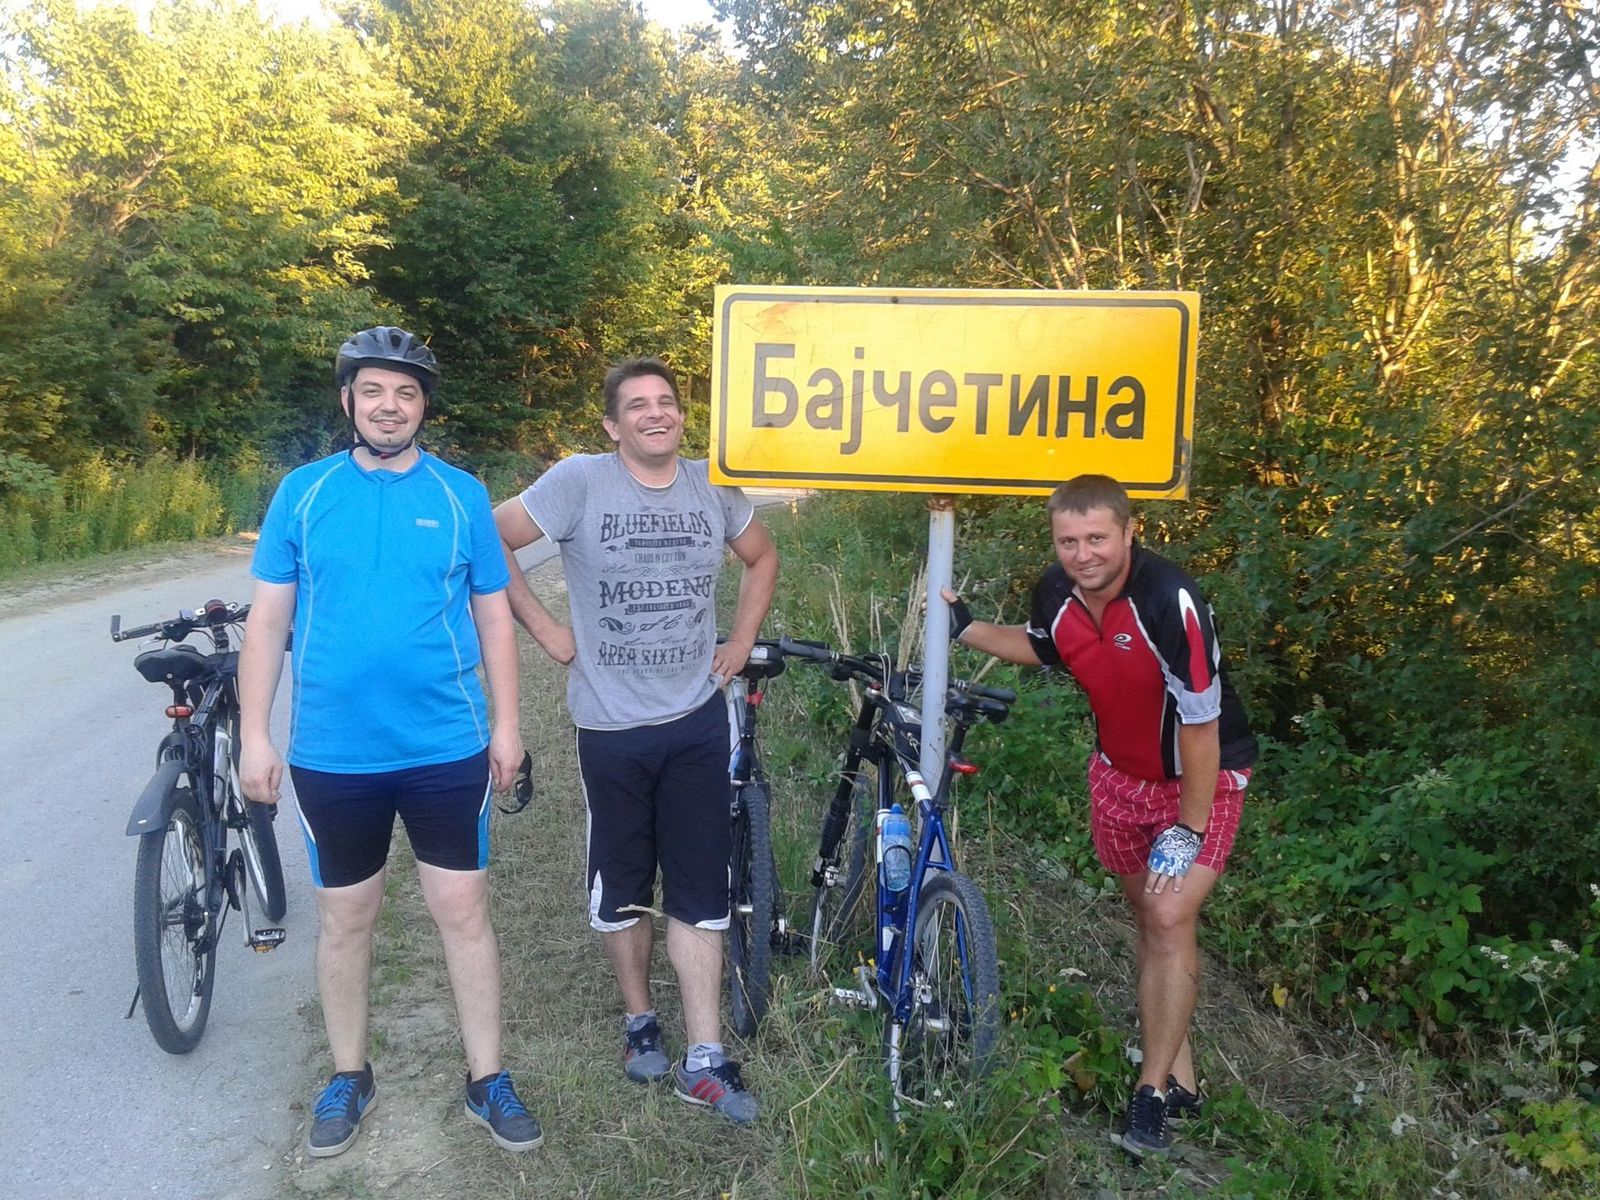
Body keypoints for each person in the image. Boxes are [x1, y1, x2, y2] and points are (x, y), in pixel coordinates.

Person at [238, 327, 543, 1158]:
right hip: (333, 752)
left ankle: (487, 1078)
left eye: (406, 393)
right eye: (373, 390)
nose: (389, 406)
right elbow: (267, 621)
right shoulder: (302, 493)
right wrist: (254, 735)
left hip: (446, 744)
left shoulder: (461, 494)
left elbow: (494, 617)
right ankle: (349, 1074)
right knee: (346, 917)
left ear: (423, 407)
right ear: (348, 400)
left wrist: (508, 726)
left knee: (463, 911)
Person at [493, 356, 778, 1126]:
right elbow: (492, 539)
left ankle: (705, 1057)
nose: (657, 413)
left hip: (696, 720)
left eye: (667, 402)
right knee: (622, 884)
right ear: (613, 425)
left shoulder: (712, 485)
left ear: (681, 414)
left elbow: (762, 557)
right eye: (638, 405)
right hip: (611, 725)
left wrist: (741, 640)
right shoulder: (579, 481)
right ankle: (639, 1021)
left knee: (699, 887)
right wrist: (545, 627)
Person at [941, 474, 1256, 1158]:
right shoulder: (1056, 592)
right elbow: (1046, 646)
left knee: (1169, 917)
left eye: (1097, 539)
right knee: (1150, 920)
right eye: (1068, 541)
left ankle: (1150, 1096)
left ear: (1129, 531)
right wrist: (967, 629)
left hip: (1200, 780)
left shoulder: (1169, 599)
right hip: (1117, 778)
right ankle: (1183, 1077)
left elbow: (1201, 724)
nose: (1083, 554)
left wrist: (1190, 828)